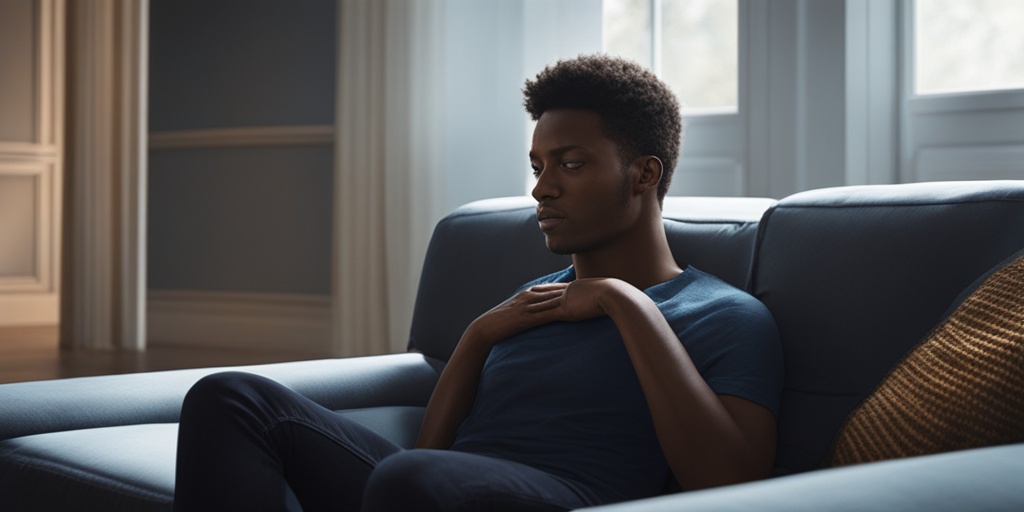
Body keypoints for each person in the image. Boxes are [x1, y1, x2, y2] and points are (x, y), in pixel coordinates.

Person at [173, 54, 783, 512]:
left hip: (570, 498)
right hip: (433, 488)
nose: (543, 188)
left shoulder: (726, 316)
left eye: (571, 164)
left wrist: (626, 304)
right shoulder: (530, 304)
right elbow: (430, 454)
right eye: (538, 167)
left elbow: (730, 485)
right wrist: (478, 336)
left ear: (644, 174)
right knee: (230, 396)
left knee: (411, 480)